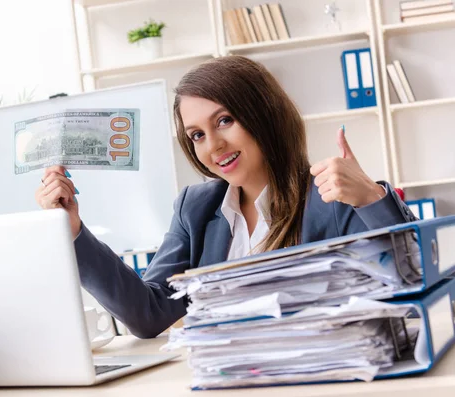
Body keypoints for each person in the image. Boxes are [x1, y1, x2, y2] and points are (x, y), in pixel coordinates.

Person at [35, 56, 416, 339]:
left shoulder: (330, 197)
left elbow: (412, 282)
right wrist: (74, 232)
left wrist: (370, 197)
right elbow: (149, 314)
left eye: (224, 121)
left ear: (263, 114)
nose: (214, 145)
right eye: (197, 134)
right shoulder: (195, 210)